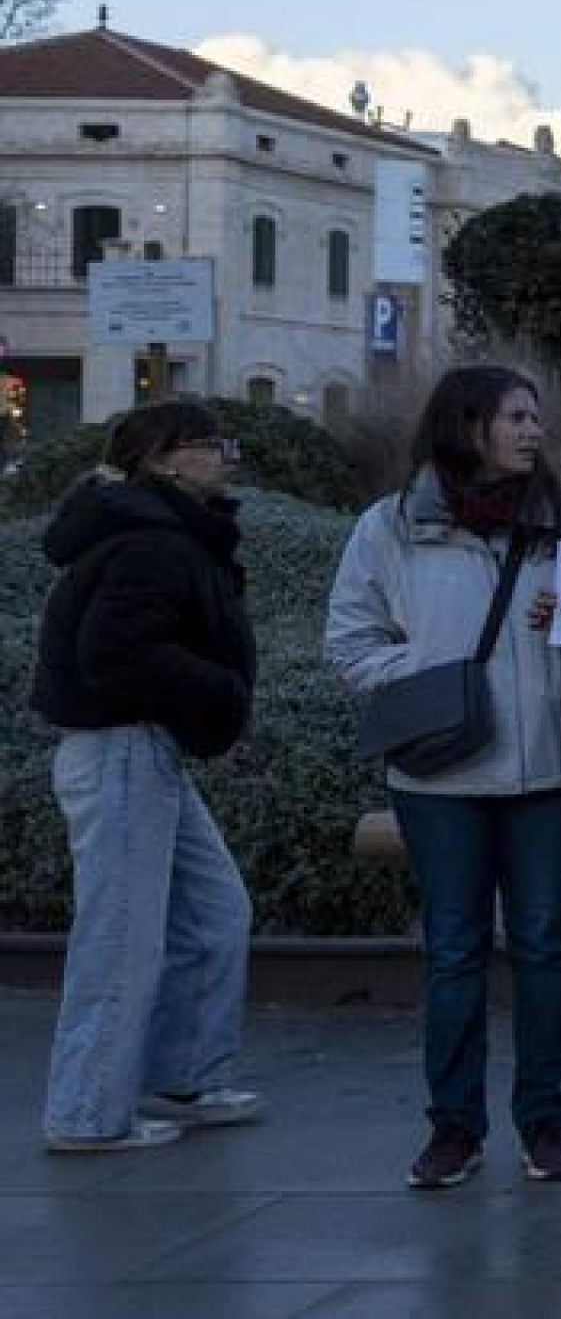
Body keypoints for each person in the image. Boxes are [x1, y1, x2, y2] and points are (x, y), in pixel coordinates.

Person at [323, 366, 561, 1189]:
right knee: (452, 952)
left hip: (547, 772)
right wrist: (434, 674)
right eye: (515, 417)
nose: (533, 431)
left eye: (536, 417)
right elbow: (349, 643)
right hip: (437, 779)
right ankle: (453, 1127)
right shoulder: (391, 526)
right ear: (467, 424)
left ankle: (546, 1121)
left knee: (544, 948)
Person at [29, 399, 260, 1154]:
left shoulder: (161, 532)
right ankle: (87, 1112)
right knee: (121, 934)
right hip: (123, 749)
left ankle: (179, 1076)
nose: (226, 454)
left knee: (213, 911)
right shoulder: (151, 543)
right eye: (210, 443)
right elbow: (117, 654)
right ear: (162, 459)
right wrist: (220, 691)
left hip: (141, 750)